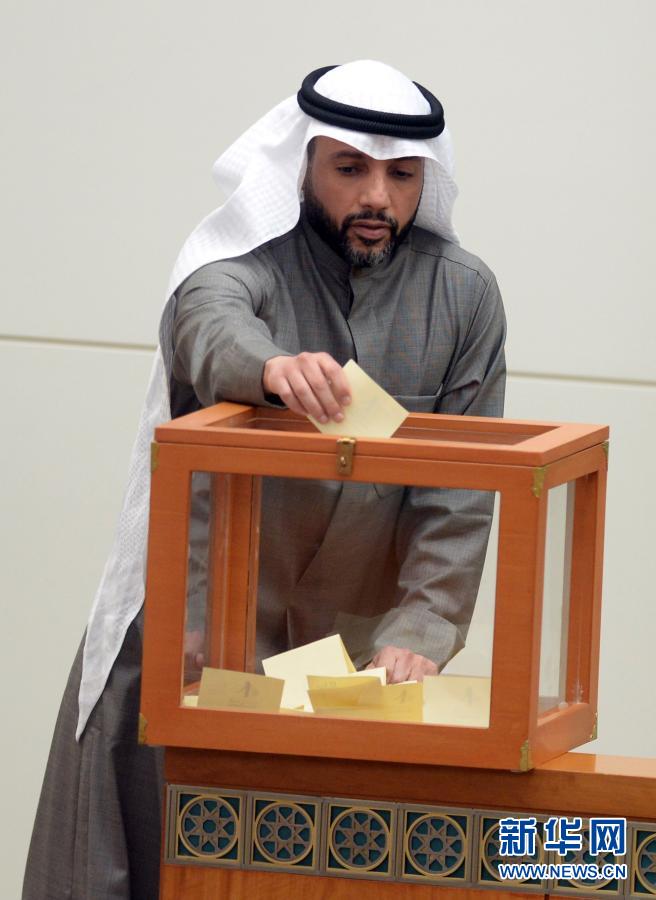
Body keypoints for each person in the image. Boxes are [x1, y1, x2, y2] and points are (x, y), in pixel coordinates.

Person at [23, 60, 505, 899]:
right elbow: (206, 321)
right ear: (302, 164)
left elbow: (459, 496)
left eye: (401, 175)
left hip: (347, 669)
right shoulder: (244, 263)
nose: (377, 198)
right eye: (350, 169)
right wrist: (272, 367)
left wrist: (422, 630)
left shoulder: (463, 298)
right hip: (197, 645)